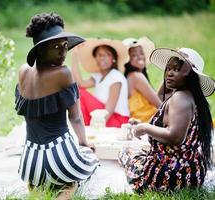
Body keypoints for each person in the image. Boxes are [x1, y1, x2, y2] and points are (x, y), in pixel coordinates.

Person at [14, 13, 99, 198]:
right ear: (40, 50)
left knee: (42, 179)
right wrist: (84, 143)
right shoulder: (63, 73)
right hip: (59, 155)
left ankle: (36, 188)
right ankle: (66, 191)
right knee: (90, 162)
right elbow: (75, 117)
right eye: (56, 47)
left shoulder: (22, 71)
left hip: (30, 162)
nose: (63, 52)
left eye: (65, 46)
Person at [119, 47, 215, 193]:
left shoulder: (180, 98)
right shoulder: (190, 95)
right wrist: (172, 76)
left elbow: (175, 137)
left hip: (169, 176)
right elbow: (160, 100)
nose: (169, 73)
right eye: (168, 68)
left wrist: (144, 128)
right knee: (140, 151)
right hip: (191, 172)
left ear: (190, 74)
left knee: (126, 151)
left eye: (176, 69)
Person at [71, 38, 130, 127]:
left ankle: (86, 126)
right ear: (95, 58)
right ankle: (83, 126)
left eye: (107, 55)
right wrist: (75, 54)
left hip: (117, 119)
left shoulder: (116, 77)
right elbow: (80, 83)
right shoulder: (98, 76)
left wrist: (97, 126)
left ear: (113, 59)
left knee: (79, 92)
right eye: (100, 55)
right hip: (101, 116)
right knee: (77, 91)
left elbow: (109, 109)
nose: (103, 58)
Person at [122, 37, 162, 122]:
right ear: (127, 60)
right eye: (133, 55)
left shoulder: (130, 76)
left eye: (141, 53)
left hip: (143, 121)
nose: (140, 57)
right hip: (145, 122)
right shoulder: (136, 76)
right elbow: (160, 105)